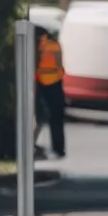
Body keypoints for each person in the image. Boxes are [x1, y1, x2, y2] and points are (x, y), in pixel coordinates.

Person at [35, 26, 66, 159]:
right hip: (55, 84)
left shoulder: (40, 45)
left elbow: (37, 64)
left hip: (42, 84)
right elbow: (59, 65)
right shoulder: (55, 45)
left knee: (40, 117)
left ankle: (33, 144)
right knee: (56, 119)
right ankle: (59, 148)